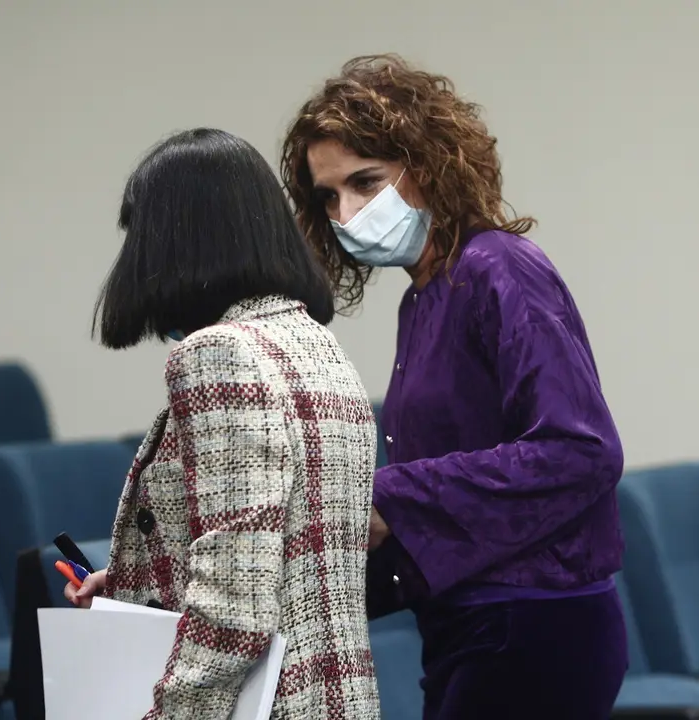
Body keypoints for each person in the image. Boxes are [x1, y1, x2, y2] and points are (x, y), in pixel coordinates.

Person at [280, 55, 629, 719]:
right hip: (469, 626)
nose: (347, 212)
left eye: (366, 182)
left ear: (430, 165)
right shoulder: (427, 294)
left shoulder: (499, 267)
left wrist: (388, 496)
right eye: (328, 196)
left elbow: (581, 451)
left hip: (532, 626)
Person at [66, 128, 381, 720]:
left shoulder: (218, 354)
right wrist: (140, 578)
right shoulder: (315, 343)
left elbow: (238, 605)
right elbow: (283, 550)